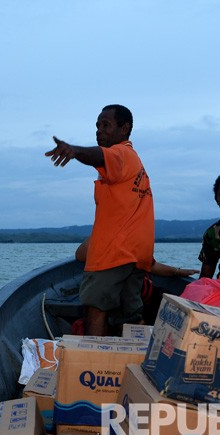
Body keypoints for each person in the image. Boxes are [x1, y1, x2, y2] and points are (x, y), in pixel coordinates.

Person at [46, 104, 154, 336]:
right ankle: (132, 364)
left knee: (96, 309)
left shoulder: (121, 154)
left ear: (124, 129)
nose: (99, 130)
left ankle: (93, 365)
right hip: (136, 255)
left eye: (106, 125)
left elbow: (97, 154)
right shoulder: (135, 163)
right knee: (129, 316)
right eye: (97, 125)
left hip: (114, 254)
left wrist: (74, 150)